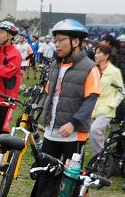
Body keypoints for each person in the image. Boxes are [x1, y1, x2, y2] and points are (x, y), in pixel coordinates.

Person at [40, 20, 101, 161]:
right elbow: (49, 94)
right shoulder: (55, 65)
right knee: (44, 173)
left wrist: (73, 123)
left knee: (70, 180)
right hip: (51, 132)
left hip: (73, 134)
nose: (56, 44)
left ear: (75, 42)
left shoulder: (90, 68)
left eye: (61, 40)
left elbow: (91, 100)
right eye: (55, 40)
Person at [88, 43, 124, 156]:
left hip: (106, 108)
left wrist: (112, 104)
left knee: (94, 130)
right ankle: (101, 158)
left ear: (106, 55)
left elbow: (121, 91)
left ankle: (99, 157)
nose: (96, 55)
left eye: (99, 53)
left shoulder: (114, 71)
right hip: (92, 107)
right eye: (95, 52)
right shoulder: (93, 69)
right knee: (94, 134)